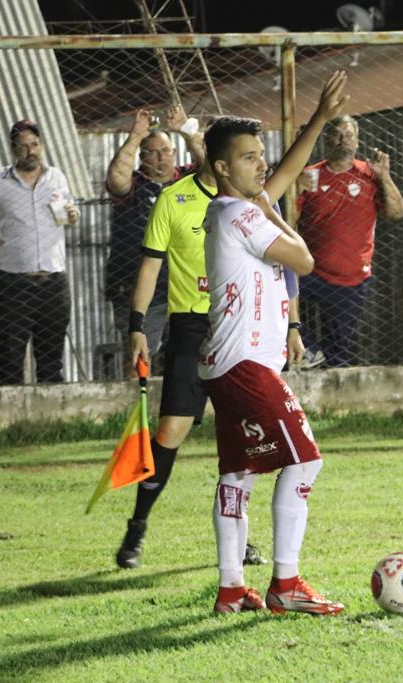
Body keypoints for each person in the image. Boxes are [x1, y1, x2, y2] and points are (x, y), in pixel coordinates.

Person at [197, 71, 349, 615]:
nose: (261, 164)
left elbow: (281, 176)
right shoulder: (240, 213)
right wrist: (274, 214)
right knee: (304, 463)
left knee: (237, 474)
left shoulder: (234, 207)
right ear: (221, 167)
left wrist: (319, 120)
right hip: (244, 366)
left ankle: (232, 589)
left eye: (261, 154)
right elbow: (305, 261)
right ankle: (286, 584)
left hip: (228, 362)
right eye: (248, 157)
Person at [117, 119, 266, 570]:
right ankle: (137, 528)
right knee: (170, 433)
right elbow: (150, 268)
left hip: (238, 328)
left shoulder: (249, 201)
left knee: (241, 436)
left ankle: (240, 538)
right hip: (190, 328)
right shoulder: (173, 199)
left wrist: (291, 325)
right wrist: (137, 326)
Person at [0, 119, 80, 384]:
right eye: (23, 146)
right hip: (12, 282)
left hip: (53, 281)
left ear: (42, 145)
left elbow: (68, 212)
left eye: (35, 144)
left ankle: (50, 420)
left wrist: (73, 215)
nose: (31, 151)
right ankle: (12, 423)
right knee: (11, 361)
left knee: (52, 363)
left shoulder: (56, 177)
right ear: (13, 149)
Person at [294, 115, 403, 368]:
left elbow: (396, 212)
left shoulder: (370, 175)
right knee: (274, 303)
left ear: (357, 141)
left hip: (350, 276)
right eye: (337, 134)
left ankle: (335, 395)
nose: (343, 140)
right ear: (326, 139)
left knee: (339, 347)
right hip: (309, 269)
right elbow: (289, 221)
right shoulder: (310, 176)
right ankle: (308, 351)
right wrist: (295, 190)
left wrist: (385, 177)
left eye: (348, 134)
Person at [104, 105, 204, 363]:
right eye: (153, 153)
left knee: (194, 358)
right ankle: (136, 401)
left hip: (188, 288)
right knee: (140, 359)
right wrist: (136, 135)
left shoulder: (187, 179)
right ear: (142, 158)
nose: (162, 158)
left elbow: (212, 166)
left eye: (166, 151)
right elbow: (116, 178)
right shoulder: (134, 185)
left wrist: (186, 131)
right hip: (139, 287)